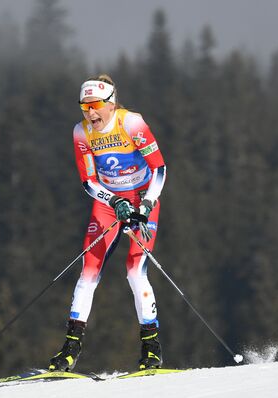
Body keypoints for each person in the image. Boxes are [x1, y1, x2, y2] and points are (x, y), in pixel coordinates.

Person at [48, 74, 167, 372]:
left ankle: (151, 350)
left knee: (134, 271)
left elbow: (160, 169)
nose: (90, 113)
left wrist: (147, 204)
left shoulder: (131, 123)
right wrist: (115, 201)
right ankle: (70, 350)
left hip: (142, 199)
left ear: (110, 104)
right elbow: (88, 181)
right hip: (108, 203)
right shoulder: (81, 132)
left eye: (96, 105)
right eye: (84, 106)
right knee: (89, 269)